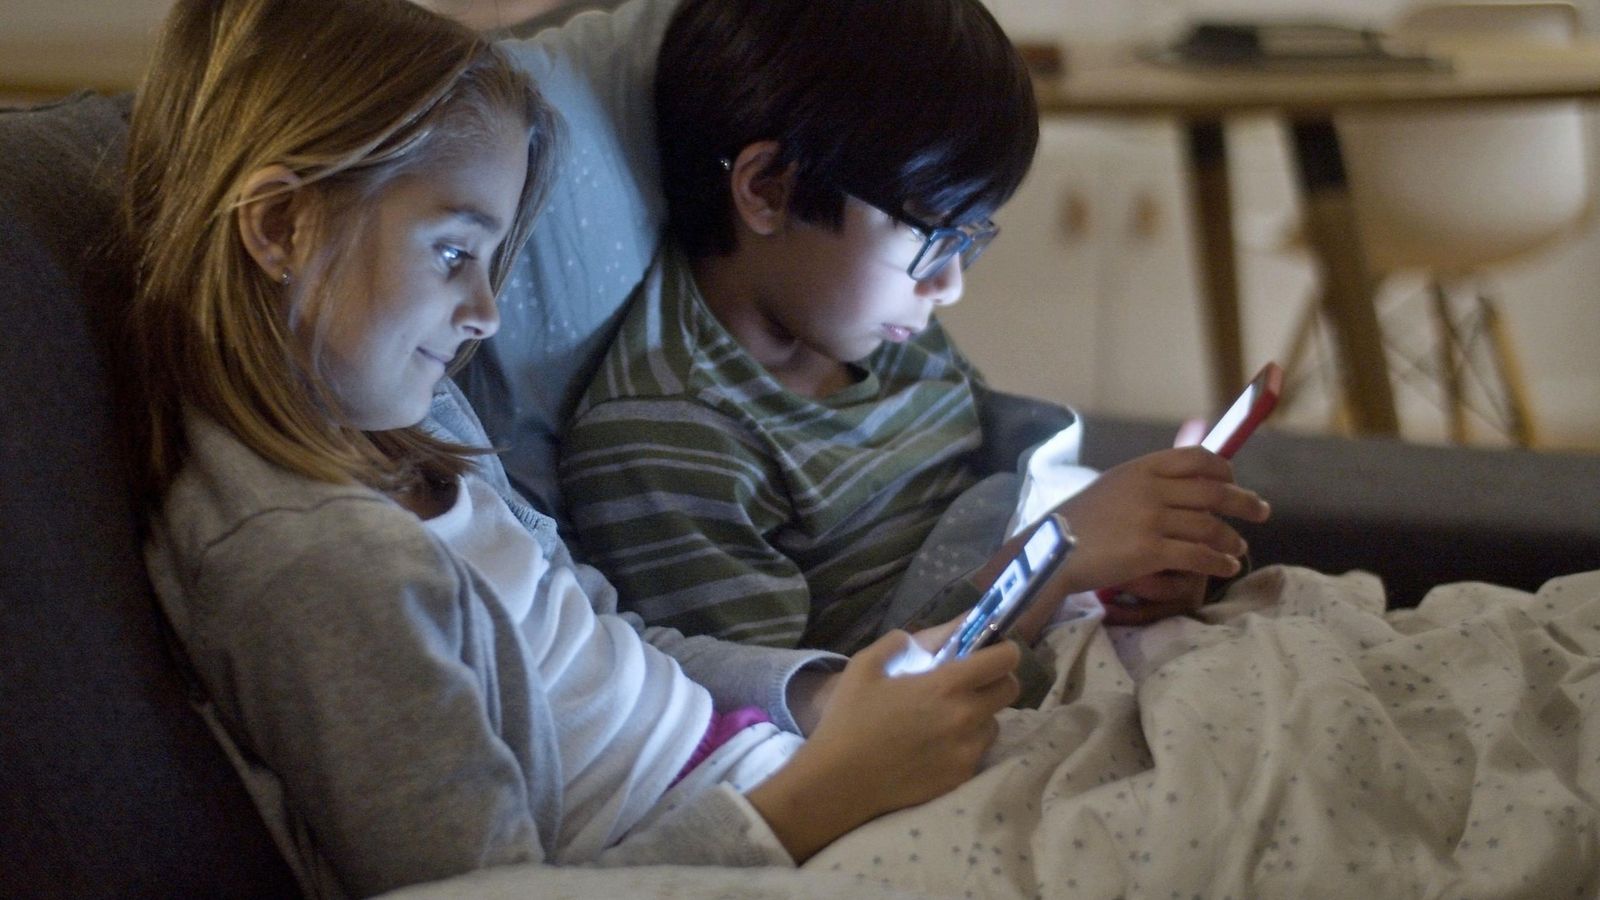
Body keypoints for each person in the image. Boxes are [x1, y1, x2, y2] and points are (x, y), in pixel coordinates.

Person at [122, 0, 1026, 896]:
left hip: (759, 768)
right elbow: (492, 887)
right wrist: (828, 791)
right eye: (451, 254)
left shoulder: (414, 419)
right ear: (281, 228)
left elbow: (607, 646)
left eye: (494, 264)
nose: (487, 313)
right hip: (741, 843)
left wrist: (823, 699)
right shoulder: (312, 564)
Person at [556, 0, 1271, 673]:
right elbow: (807, 727)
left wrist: (1123, 576)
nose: (950, 284)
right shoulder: (670, 441)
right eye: (933, 236)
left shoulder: (875, 332)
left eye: (971, 237)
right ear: (769, 188)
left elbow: (972, 512)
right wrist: (1055, 559)